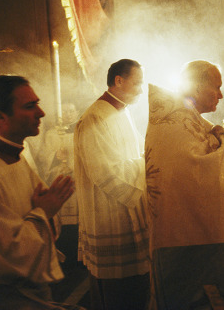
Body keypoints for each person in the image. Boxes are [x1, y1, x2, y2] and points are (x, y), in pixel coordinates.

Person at [146, 60, 224, 274]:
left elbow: (206, 144)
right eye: (217, 87)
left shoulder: (185, 115)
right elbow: (200, 170)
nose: (220, 94)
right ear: (197, 87)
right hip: (182, 235)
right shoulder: (173, 121)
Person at [0, 75, 78, 310]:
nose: (41, 113)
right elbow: (1, 258)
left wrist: (46, 211)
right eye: (30, 106)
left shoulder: (15, 155)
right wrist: (43, 212)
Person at [74, 59, 149, 310]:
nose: (141, 90)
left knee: (134, 287)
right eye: (137, 83)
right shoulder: (95, 116)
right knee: (116, 293)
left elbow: (140, 149)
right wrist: (148, 164)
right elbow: (106, 173)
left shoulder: (121, 111)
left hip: (127, 209)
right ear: (119, 81)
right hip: (110, 214)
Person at [44, 102, 80, 225]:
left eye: (71, 111)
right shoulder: (51, 134)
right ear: (58, 115)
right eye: (64, 111)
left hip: (78, 178)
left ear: (77, 113)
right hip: (59, 178)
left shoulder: (82, 132)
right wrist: (54, 156)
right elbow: (42, 158)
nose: (68, 114)